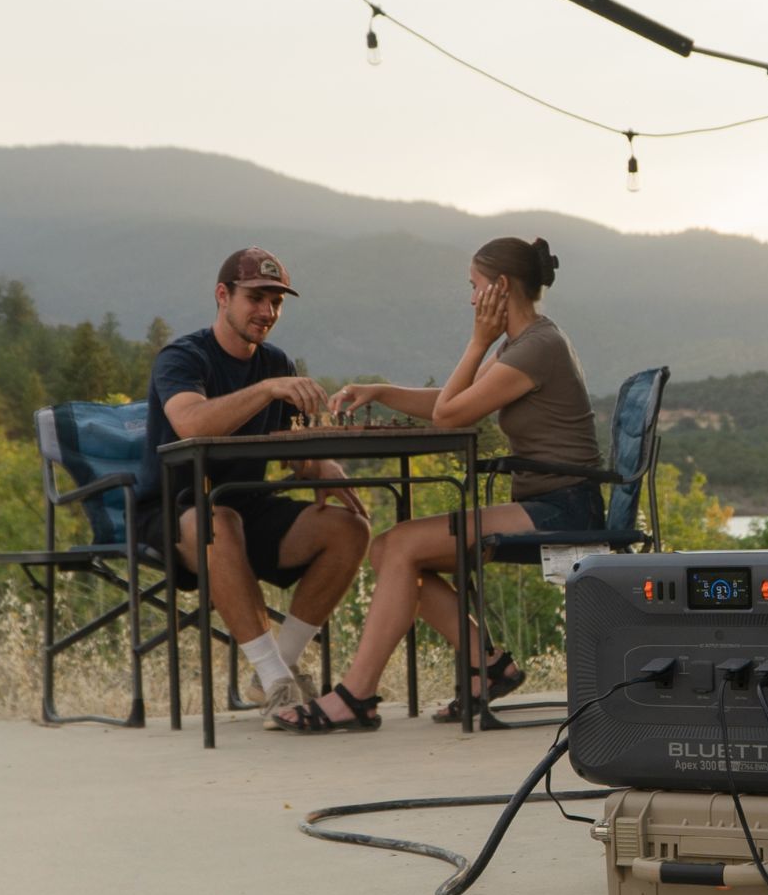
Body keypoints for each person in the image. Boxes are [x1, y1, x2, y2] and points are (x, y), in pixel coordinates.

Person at [274, 236, 602, 733]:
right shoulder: (522, 345)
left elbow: (450, 416)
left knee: (399, 545)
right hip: (546, 501)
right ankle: (485, 669)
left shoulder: (538, 347)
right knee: (390, 551)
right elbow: (452, 400)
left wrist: (476, 341)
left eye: (474, 287)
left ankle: (355, 696)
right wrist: (380, 390)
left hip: (564, 508)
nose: (471, 299)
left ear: (500, 288)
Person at [135, 246, 372, 727]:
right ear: (223, 296)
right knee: (217, 520)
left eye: (277, 302)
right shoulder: (183, 357)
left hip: (249, 506)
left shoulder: (276, 362)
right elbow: (190, 423)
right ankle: (276, 683)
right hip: (175, 509)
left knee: (351, 525)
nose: (267, 312)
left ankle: (276, 672)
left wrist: (319, 462)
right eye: (256, 298)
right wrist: (267, 390)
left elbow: (292, 449)